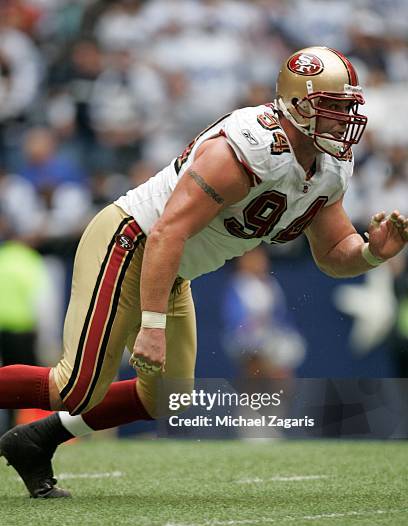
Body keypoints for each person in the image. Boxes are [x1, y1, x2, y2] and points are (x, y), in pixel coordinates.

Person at [1, 46, 407, 498]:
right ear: (298, 105)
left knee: (166, 396)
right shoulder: (249, 149)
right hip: (130, 241)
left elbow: (333, 252)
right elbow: (167, 231)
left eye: (347, 108)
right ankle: (40, 431)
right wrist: (152, 323)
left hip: (170, 266)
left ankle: (34, 441)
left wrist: (372, 252)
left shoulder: (329, 167)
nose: (343, 120)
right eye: (332, 108)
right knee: (73, 387)